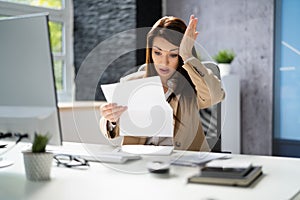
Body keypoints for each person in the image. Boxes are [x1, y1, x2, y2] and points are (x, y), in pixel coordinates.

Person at [99, 15, 225, 151]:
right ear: (150, 52)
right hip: (141, 162)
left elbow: (215, 95)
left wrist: (188, 55)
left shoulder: (192, 86)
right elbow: (112, 130)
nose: (164, 63)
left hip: (182, 162)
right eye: (158, 53)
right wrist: (111, 119)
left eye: (173, 55)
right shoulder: (131, 83)